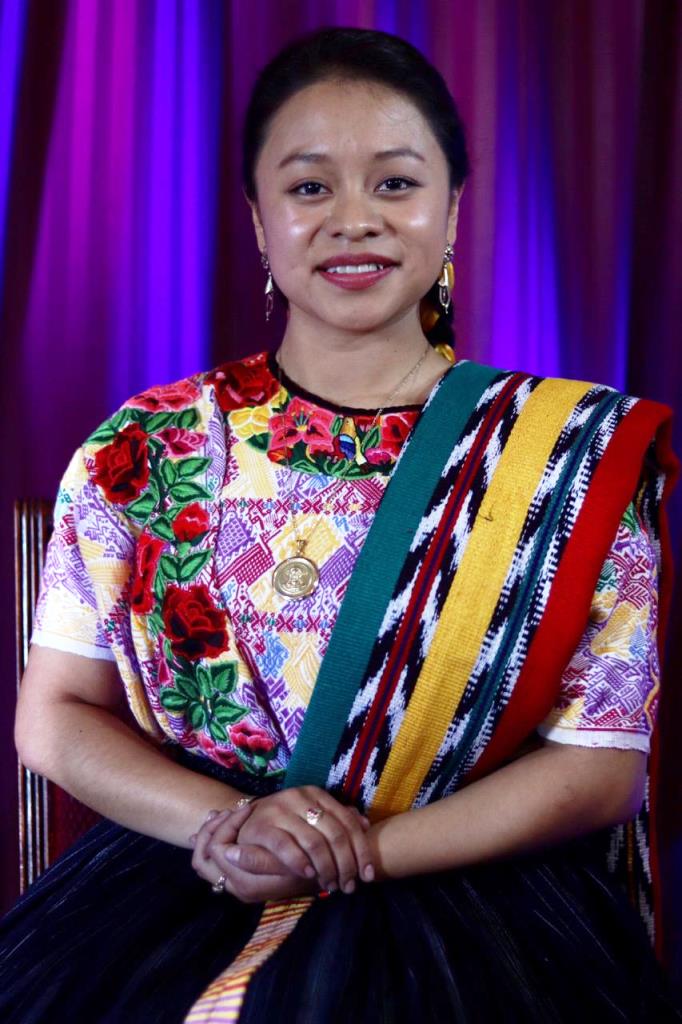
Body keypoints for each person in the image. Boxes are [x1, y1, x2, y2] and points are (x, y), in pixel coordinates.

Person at [1, 26, 680, 1024]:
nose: (353, 219)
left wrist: (359, 852)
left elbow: (601, 767)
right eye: (310, 186)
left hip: (471, 887)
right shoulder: (144, 447)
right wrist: (234, 827)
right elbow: (54, 715)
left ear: (452, 211)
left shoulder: (566, 457)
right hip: (191, 869)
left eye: (395, 183)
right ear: (258, 219)